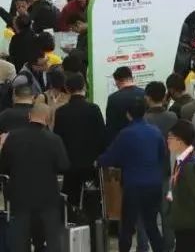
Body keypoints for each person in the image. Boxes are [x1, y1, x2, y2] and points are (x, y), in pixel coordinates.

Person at [98, 98, 168, 252]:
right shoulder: (155, 131)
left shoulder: (125, 134)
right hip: (154, 184)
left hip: (133, 185)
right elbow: (162, 155)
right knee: (151, 225)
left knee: (128, 226)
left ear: (128, 114)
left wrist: (98, 161)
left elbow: (111, 157)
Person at [0, 102, 69, 252]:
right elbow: (64, 166)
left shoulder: (13, 137)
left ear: (29, 116)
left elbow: (3, 166)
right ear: (48, 119)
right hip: (47, 199)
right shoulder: (54, 139)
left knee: (20, 241)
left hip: (20, 197)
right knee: (52, 241)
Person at [53, 73, 105, 209]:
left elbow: (58, 138)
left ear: (67, 89)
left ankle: (73, 218)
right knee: (92, 198)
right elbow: (102, 136)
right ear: (84, 87)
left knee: (71, 199)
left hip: (70, 163)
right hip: (90, 163)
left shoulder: (61, 112)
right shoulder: (94, 109)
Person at [165, 121, 195, 252]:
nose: (167, 141)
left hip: (190, 223)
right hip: (184, 220)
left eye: (170, 138)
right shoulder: (182, 160)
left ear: (180, 141)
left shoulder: (190, 166)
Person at [105, 66, 145, 144]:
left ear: (117, 81)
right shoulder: (144, 94)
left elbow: (111, 127)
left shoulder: (113, 98)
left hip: (122, 141)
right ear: (131, 78)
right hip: (142, 139)